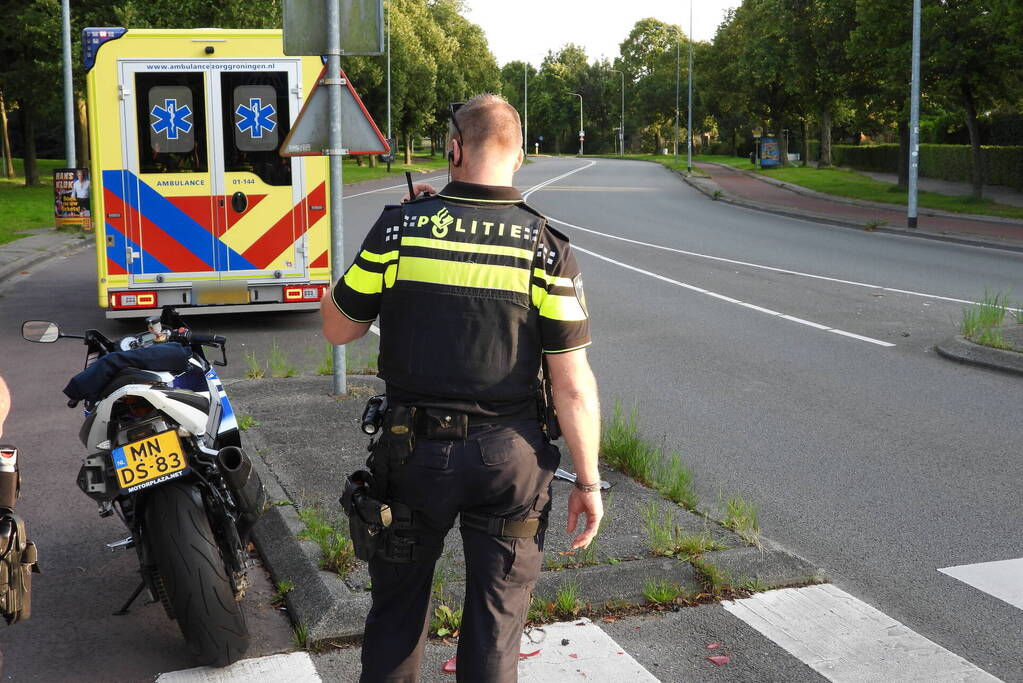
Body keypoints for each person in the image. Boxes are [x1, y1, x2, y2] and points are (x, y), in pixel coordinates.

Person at [321, 93, 602, 682]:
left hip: (411, 455)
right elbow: (572, 385)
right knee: (496, 626)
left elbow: (337, 327)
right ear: (519, 156)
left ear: (453, 150)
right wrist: (590, 481)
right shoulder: (547, 248)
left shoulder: (400, 228)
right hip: (511, 461)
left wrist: (388, 235)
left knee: (396, 614)